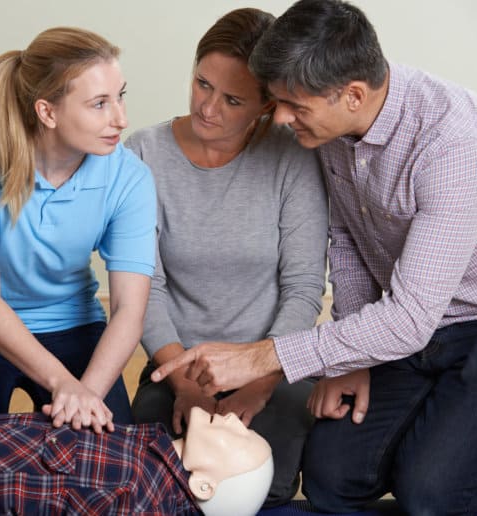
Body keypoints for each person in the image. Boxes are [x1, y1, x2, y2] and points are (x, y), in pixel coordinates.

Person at [152, 0, 477, 513]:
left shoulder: (458, 146)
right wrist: (349, 357)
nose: (283, 120)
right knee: (332, 482)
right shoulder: (334, 127)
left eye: (294, 106)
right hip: (416, 326)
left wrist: (261, 357)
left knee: (429, 496)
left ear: (353, 94)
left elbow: (408, 318)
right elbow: (351, 239)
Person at [125, 7, 327, 507]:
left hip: (270, 366)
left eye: (232, 98)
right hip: (178, 367)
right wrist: (183, 385)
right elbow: (144, 283)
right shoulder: (143, 153)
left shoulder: (293, 156)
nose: (207, 108)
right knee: (164, 483)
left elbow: (303, 286)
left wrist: (258, 383)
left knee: (265, 486)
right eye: (202, 84)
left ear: (266, 106)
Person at [0, 27, 156, 431]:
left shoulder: (130, 176)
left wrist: (87, 392)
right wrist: (62, 384)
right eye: (99, 104)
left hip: (72, 323)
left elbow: (128, 309)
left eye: (120, 95)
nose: (121, 118)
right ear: (47, 112)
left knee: (110, 462)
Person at [0, 406, 273, 516]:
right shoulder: (148, 451)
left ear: (203, 485)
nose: (234, 422)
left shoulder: (141, 499)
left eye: (238, 439)